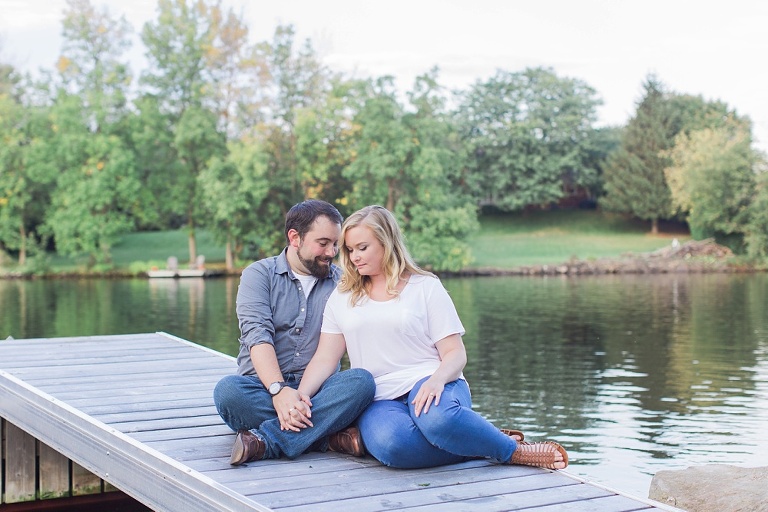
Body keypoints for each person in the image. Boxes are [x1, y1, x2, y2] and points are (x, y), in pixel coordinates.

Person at [296, 205, 568, 470]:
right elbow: (325, 358)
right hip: (379, 398)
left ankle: (512, 451)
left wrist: (437, 380)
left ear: (387, 243)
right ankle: (483, 440)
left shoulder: (425, 287)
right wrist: (300, 397)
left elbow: (455, 353)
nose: (354, 257)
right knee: (393, 446)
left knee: (437, 421)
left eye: (362, 248)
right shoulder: (343, 296)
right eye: (350, 250)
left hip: (433, 380)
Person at [213, 199, 376, 465]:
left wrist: (300, 396)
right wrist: (278, 391)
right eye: (323, 243)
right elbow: (258, 337)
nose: (331, 252)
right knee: (228, 393)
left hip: (317, 392)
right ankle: (327, 438)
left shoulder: (343, 284)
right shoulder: (258, 275)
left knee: (361, 382)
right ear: (295, 238)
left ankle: (265, 441)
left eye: (336, 244)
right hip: (262, 388)